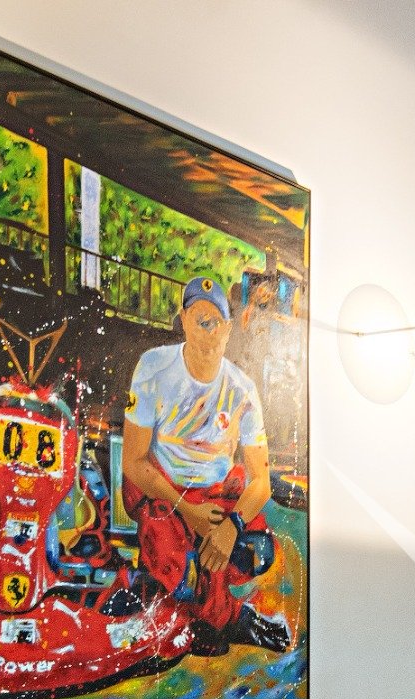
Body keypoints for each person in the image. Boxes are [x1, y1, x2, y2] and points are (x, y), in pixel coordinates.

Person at [120, 276, 293, 657]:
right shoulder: (155, 367)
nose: (209, 333)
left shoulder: (242, 388)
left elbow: (261, 480)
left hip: (216, 496)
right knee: (175, 566)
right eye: (201, 321)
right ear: (184, 321)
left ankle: (205, 615)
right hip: (165, 490)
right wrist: (188, 511)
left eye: (217, 323)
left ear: (229, 329)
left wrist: (232, 527)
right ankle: (226, 618)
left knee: (256, 552)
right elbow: (133, 461)